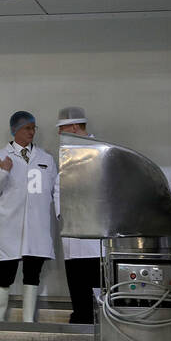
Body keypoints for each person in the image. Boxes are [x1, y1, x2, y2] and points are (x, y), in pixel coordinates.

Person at [0, 111, 58, 322]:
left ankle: (28, 322)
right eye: (27, 128)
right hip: (11, 226)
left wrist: (60, 214)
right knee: (4, 273)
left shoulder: (46, 159)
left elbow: (56, 189)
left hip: (37, 227)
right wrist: (3, 172)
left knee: (32, 275)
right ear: (15, 130)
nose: (32, 132)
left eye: (34, 128)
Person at [55, 107, 101, 324]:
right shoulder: (66, 153)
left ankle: (94, 324)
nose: (59, 133)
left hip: (94, 234)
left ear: (74, 126)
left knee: (95, 284)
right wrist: (61, 216)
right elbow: (58, 188)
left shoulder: (99, 151)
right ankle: (80, 320)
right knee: (76, 283)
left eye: (62, 128)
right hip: (71, 232)